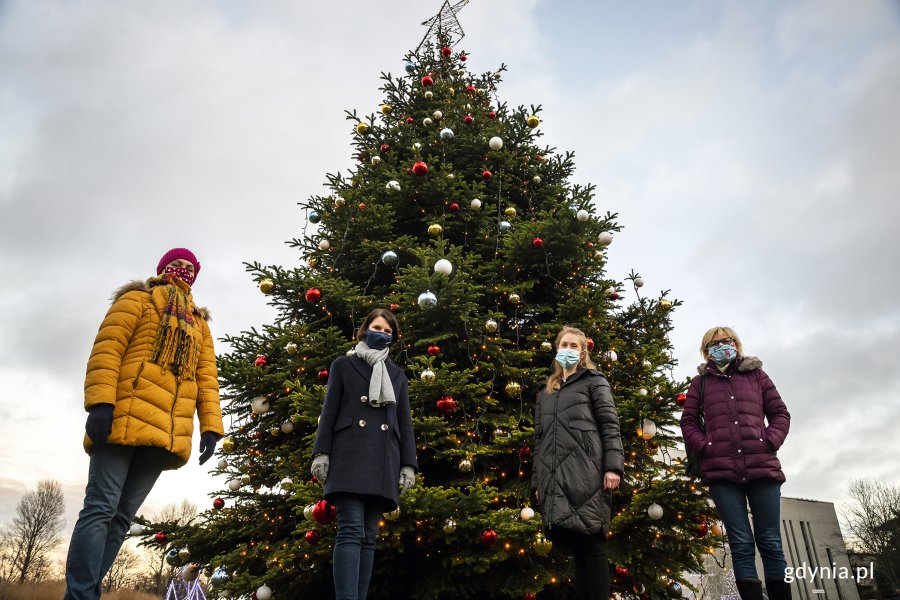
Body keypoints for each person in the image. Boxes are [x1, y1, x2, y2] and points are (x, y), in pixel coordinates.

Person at [65, 248, 224, 600]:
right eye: (176, 264)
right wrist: (101, 402)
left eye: (189, 267)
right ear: (162, 268)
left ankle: (87, 591)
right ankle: (79, 595)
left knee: (122, 517)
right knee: (101, 508)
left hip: (165, 432)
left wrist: (211, 426)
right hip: (121, 419)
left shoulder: (199, 324)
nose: (182, 270)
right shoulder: (138, 299)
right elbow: (107, 349)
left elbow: (207, 379)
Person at [311, 308, 418, 600]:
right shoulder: (343, 366)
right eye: (377, 327)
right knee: (350, 529)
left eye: (387, 331)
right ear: (364, 329)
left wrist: (408, 464)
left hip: (384, 459)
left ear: (392, 338)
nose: (381, 333)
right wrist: (321, 452)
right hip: (349, 456)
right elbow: (329, 411)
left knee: (369, 537)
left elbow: (404, 423)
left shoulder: (397, 376)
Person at [680, 326, 791, 600]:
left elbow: (780, 413)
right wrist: (706, 446)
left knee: (771, 542)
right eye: (715, 343)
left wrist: (769, 441)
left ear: (736, 344)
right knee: (740, 543)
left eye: (726, 341)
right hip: (721, 474)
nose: (721, 346)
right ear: (707, 351)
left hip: (763, 468)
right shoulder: (700, 383)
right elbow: (688, 421)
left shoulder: (757, 376)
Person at [532, 326, 625, 600]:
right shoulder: (547, 391)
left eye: (575, 346)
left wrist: (613, 466)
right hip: (556, 477)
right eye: (565, 344)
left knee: (593, 546)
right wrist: (538, 483)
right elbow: (540, 440)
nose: (569, 350)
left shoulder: (595, 381)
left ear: (583, 352)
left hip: (589, 473)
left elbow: (610, 425)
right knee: (577, 550)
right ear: (557, 348)